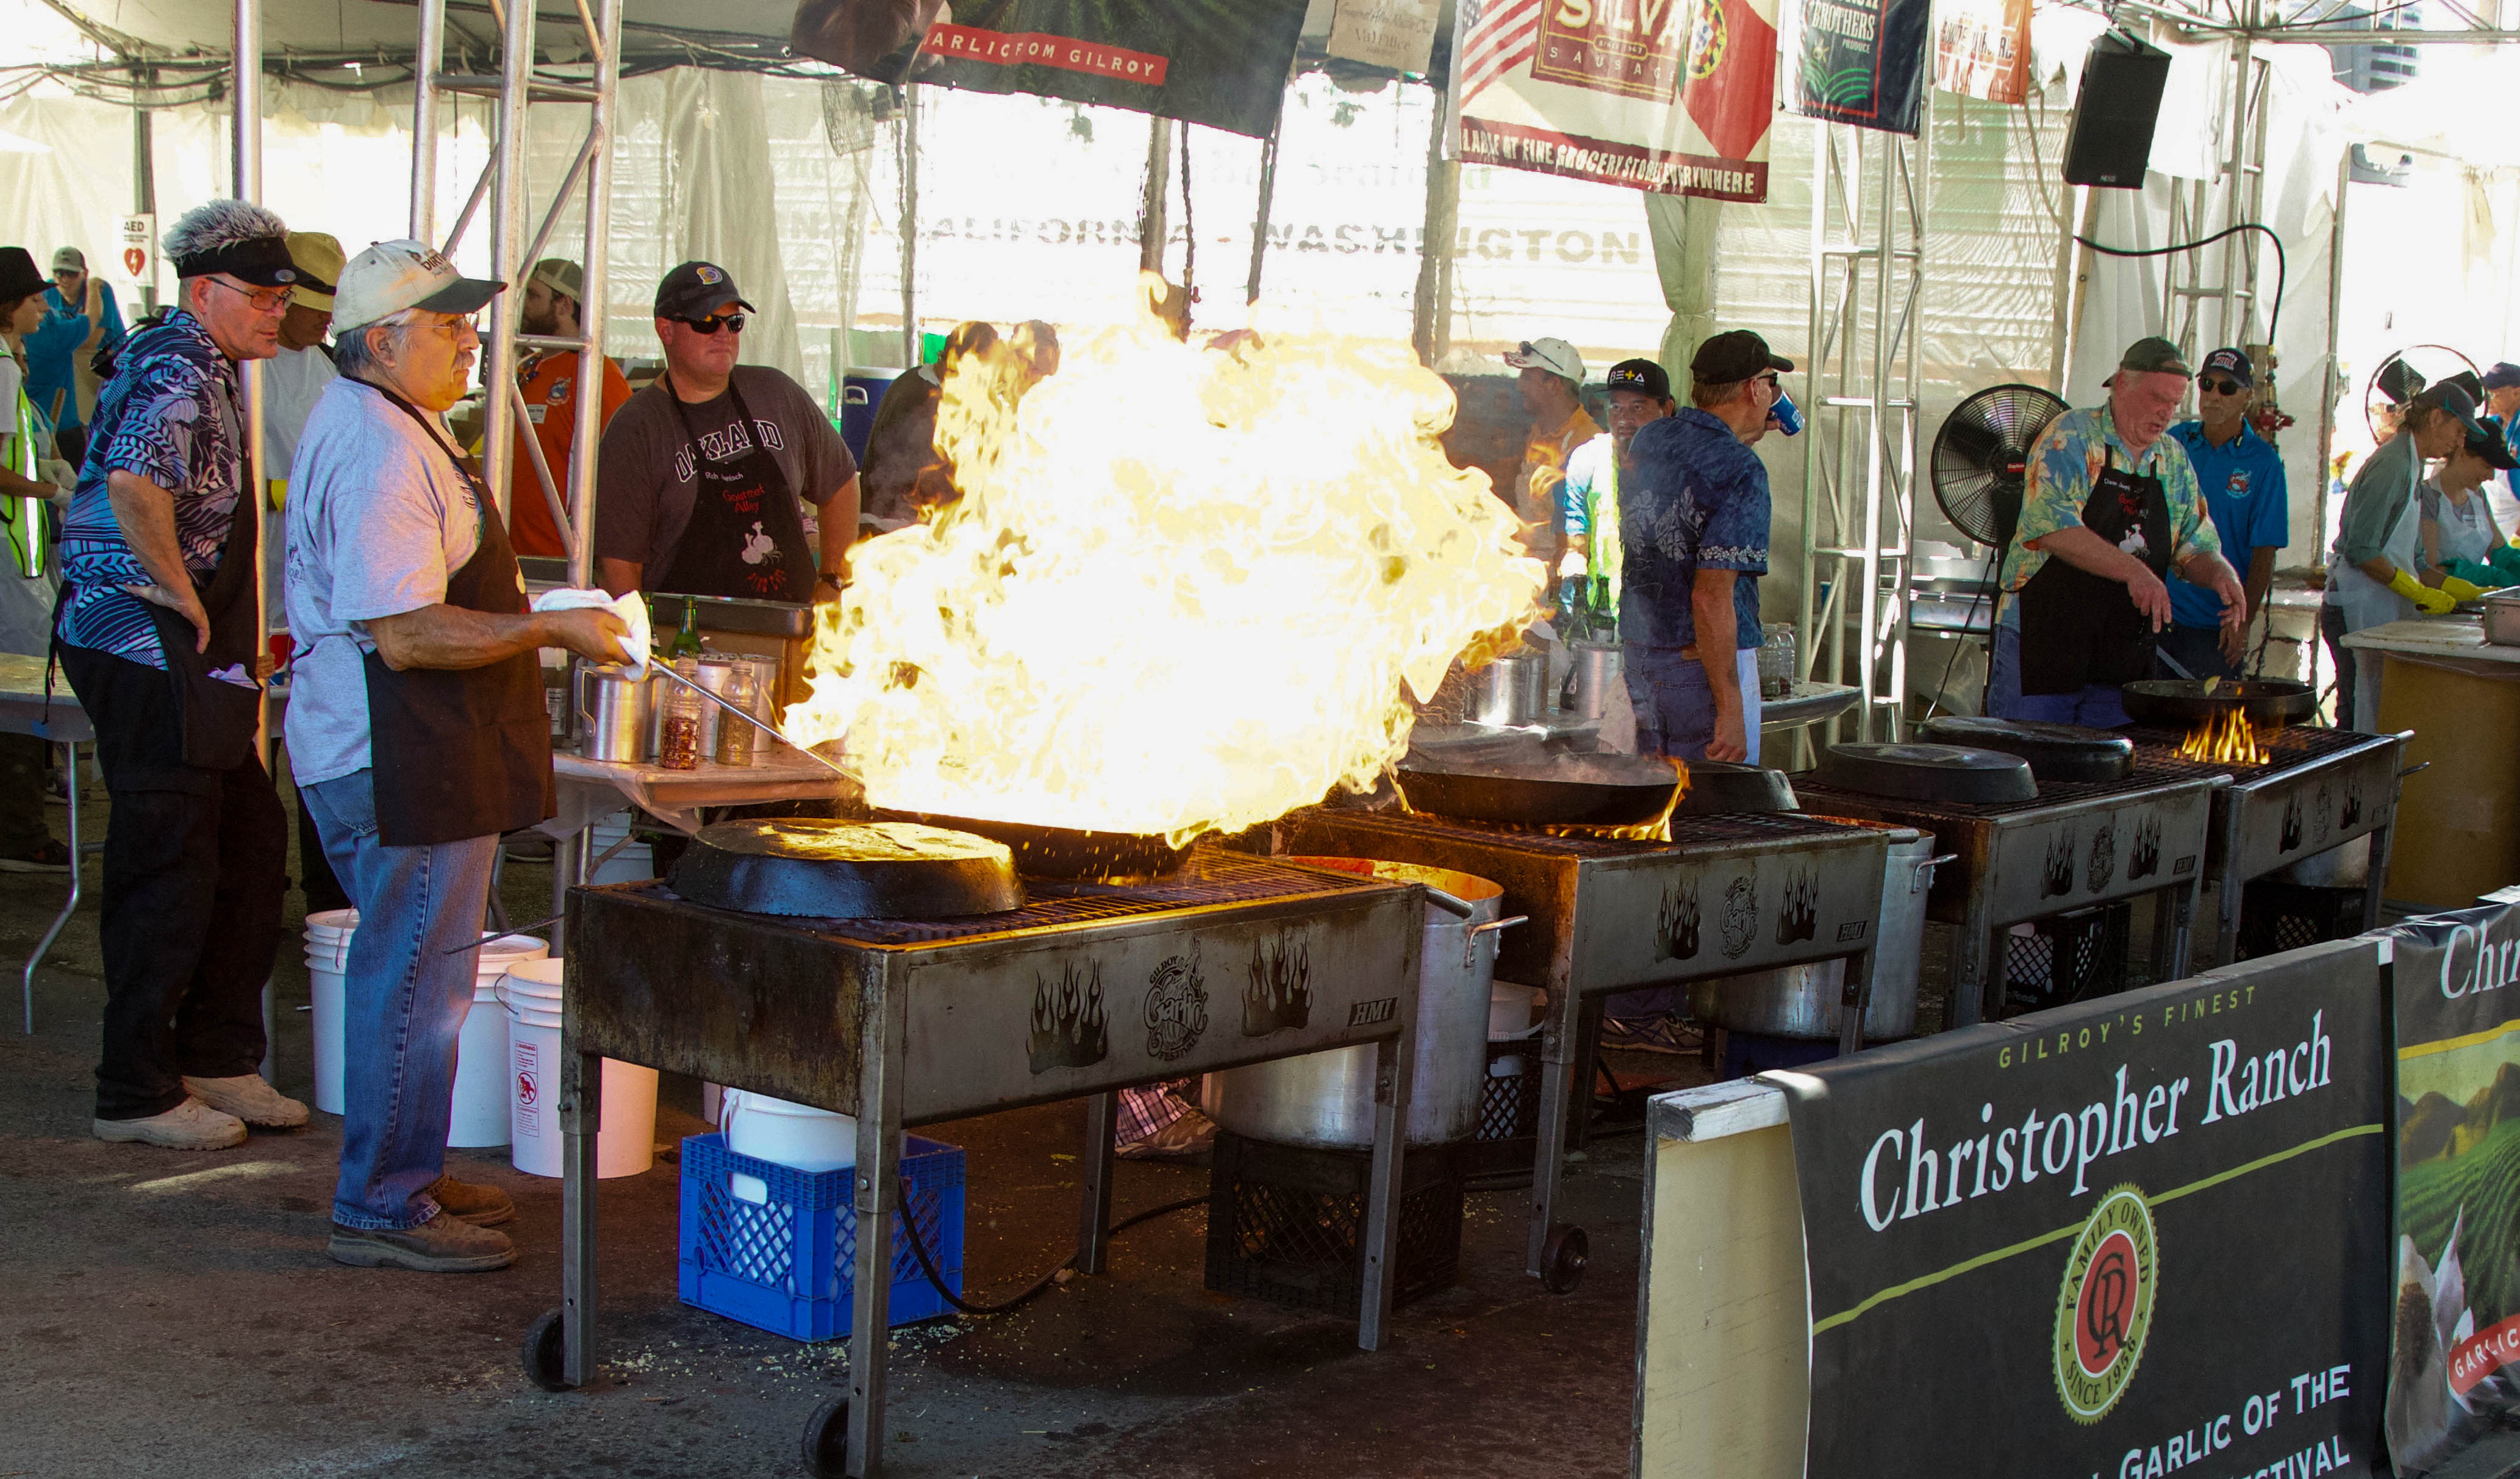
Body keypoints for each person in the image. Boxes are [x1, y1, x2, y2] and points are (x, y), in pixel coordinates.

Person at [285, 239, 628, 1270]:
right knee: (413, 983)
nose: (469, 339)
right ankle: (381, 1202)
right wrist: (548, 632)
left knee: (422, 973)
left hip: (401, 746)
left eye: (467, 320)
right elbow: (406, 633)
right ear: (382, 340)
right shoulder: (385, 450)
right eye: (447, 324)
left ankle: (408, 1175)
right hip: (393, 753)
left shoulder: (394, 421)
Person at [53, 201, 303, 1151]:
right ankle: (136, 1089)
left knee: (247, 833)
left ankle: (217, 1053)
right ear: (206, 293)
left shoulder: (207, 363)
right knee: (170, 850)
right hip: (136, 635)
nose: (279, 309)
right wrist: (180, 592)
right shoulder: (177, 366)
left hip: (174, 640)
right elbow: (129, 485)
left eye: (285, 293)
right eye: (262, 294)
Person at [1989, 338, 2246, 728]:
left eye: (2174, 403)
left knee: (2108, 777)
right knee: (2031, 766)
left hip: (2122, 651)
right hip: (2047, 640)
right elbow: (2054, 529)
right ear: (2121, 384)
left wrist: (2220, 574)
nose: (2166, 412)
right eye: (2157, 398)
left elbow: (2194, 544)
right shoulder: (2072, 436)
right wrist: (2135, 572)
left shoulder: (2173, 459)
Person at [593, 261, 858, 601]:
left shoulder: (777, 394)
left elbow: (841, 482)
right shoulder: (636, 429)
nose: (724, 334)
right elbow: (618, 564)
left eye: (734, 322)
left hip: (791, 632)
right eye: (707, 323)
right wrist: (643, 643)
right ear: (666, 330)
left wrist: (833, 581)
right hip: (688, 640)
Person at [1617, 330, 1786, 763]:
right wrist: (1730, 709)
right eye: (1772, 383)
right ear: (1754, 388)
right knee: (1708, 815)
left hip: (1641, 661)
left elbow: (1693, 480)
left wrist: (1742, 438)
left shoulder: (1650, 439)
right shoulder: (1743, 470)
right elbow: (1710, 595)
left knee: (1650, 809)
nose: (1775, 394)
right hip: (1699, 671)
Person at [2321, 383, 2489, 732]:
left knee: (2378, 714)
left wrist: (2463, 590)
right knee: (2357, 717)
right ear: (2436, 417)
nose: (2460, 443)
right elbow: (2362, 550)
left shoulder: (2414, 467)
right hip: (2354, 604)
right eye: (2458, 431)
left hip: (2377, 603)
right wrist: (2416, 592)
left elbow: (2415, 559)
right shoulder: (2393, 465)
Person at [0, 246, 76, 872]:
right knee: (22, 690)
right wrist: (53, 490)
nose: (44, 307)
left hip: (16, 553)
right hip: (11, 557)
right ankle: (19, 831)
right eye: (33, 299)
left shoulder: (7, 364)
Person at [2159, 348, 2288, 681]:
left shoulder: (2264, 463)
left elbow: (2265, 551)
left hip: (2215, 626)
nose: (2214, 396)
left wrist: (2243, 623)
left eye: (2227, 388)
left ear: (2247, 397)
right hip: (2159, 614)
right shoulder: (2173, 442)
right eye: (2207, 384)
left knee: (2207, 729)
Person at [506, 257, 631, 559]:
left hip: (561, 558)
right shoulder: (526, 368)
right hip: (514, 552)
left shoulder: (596, 374)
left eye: (534, 296)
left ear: (563, 304)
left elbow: (621, 474)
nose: (524, 307)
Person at [1558, 357, 1675, 626]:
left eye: (1638, 407)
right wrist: (1570, 592)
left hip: (1662, 623)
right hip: (1600, 617)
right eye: (1616, 407)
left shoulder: (1680, 467)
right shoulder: (1586, 460)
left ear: (1665, 409)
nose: (1625, 419)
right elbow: (1576, 546)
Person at [859, 320, 999, 531]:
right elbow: (938, 480)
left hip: (887, 519)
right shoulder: (927, 400)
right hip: (894, 527)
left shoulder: (914, 377)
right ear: (961, 360)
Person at [1502, 337, 1598, 568]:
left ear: (1554, 385)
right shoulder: (1538, 432)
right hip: (1525, 563)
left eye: (1527, 377)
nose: (1519, 386)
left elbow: (1582, 533)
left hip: (1557, 573)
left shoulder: (1586, 442)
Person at [26, 246, 127, 465]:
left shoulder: (100, 290)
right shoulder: (49, 296)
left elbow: (90, 341)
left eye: (71, 273)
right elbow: (82, 336)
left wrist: (67, 339)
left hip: (106, 375)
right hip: (70, 392)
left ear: (85, 273)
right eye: (58, 273)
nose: (64, 279)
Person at [261, 232, 342, 486]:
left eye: (332, 306)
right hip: (268, 523)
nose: (327, 316)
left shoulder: (337, 366)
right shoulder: (244, 371)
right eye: (317, 306)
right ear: (285, 301)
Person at [2415, 417, 2513, 589]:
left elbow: (2500, 552)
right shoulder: (2429, 498)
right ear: (2461, 454)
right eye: (2485, 466)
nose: (2490, 477)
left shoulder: (2478, 496)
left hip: (2471, 608)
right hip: (2433, 608)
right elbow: (2427, 570)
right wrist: (2483, 576)